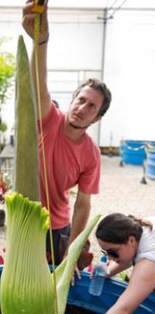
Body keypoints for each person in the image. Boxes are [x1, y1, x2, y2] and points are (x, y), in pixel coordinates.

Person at [22, 1, 112, 267]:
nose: (82, 108)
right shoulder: (48, 118)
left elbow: (83, 204)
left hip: (58, 226)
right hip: (26, 218)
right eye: (81, 100)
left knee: (56, 281)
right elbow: (39, 83)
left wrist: (73, 248)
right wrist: (41, 41)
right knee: (24, 279)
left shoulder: (91, 155)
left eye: (92, 106)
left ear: (97, 118)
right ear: (72, 99)